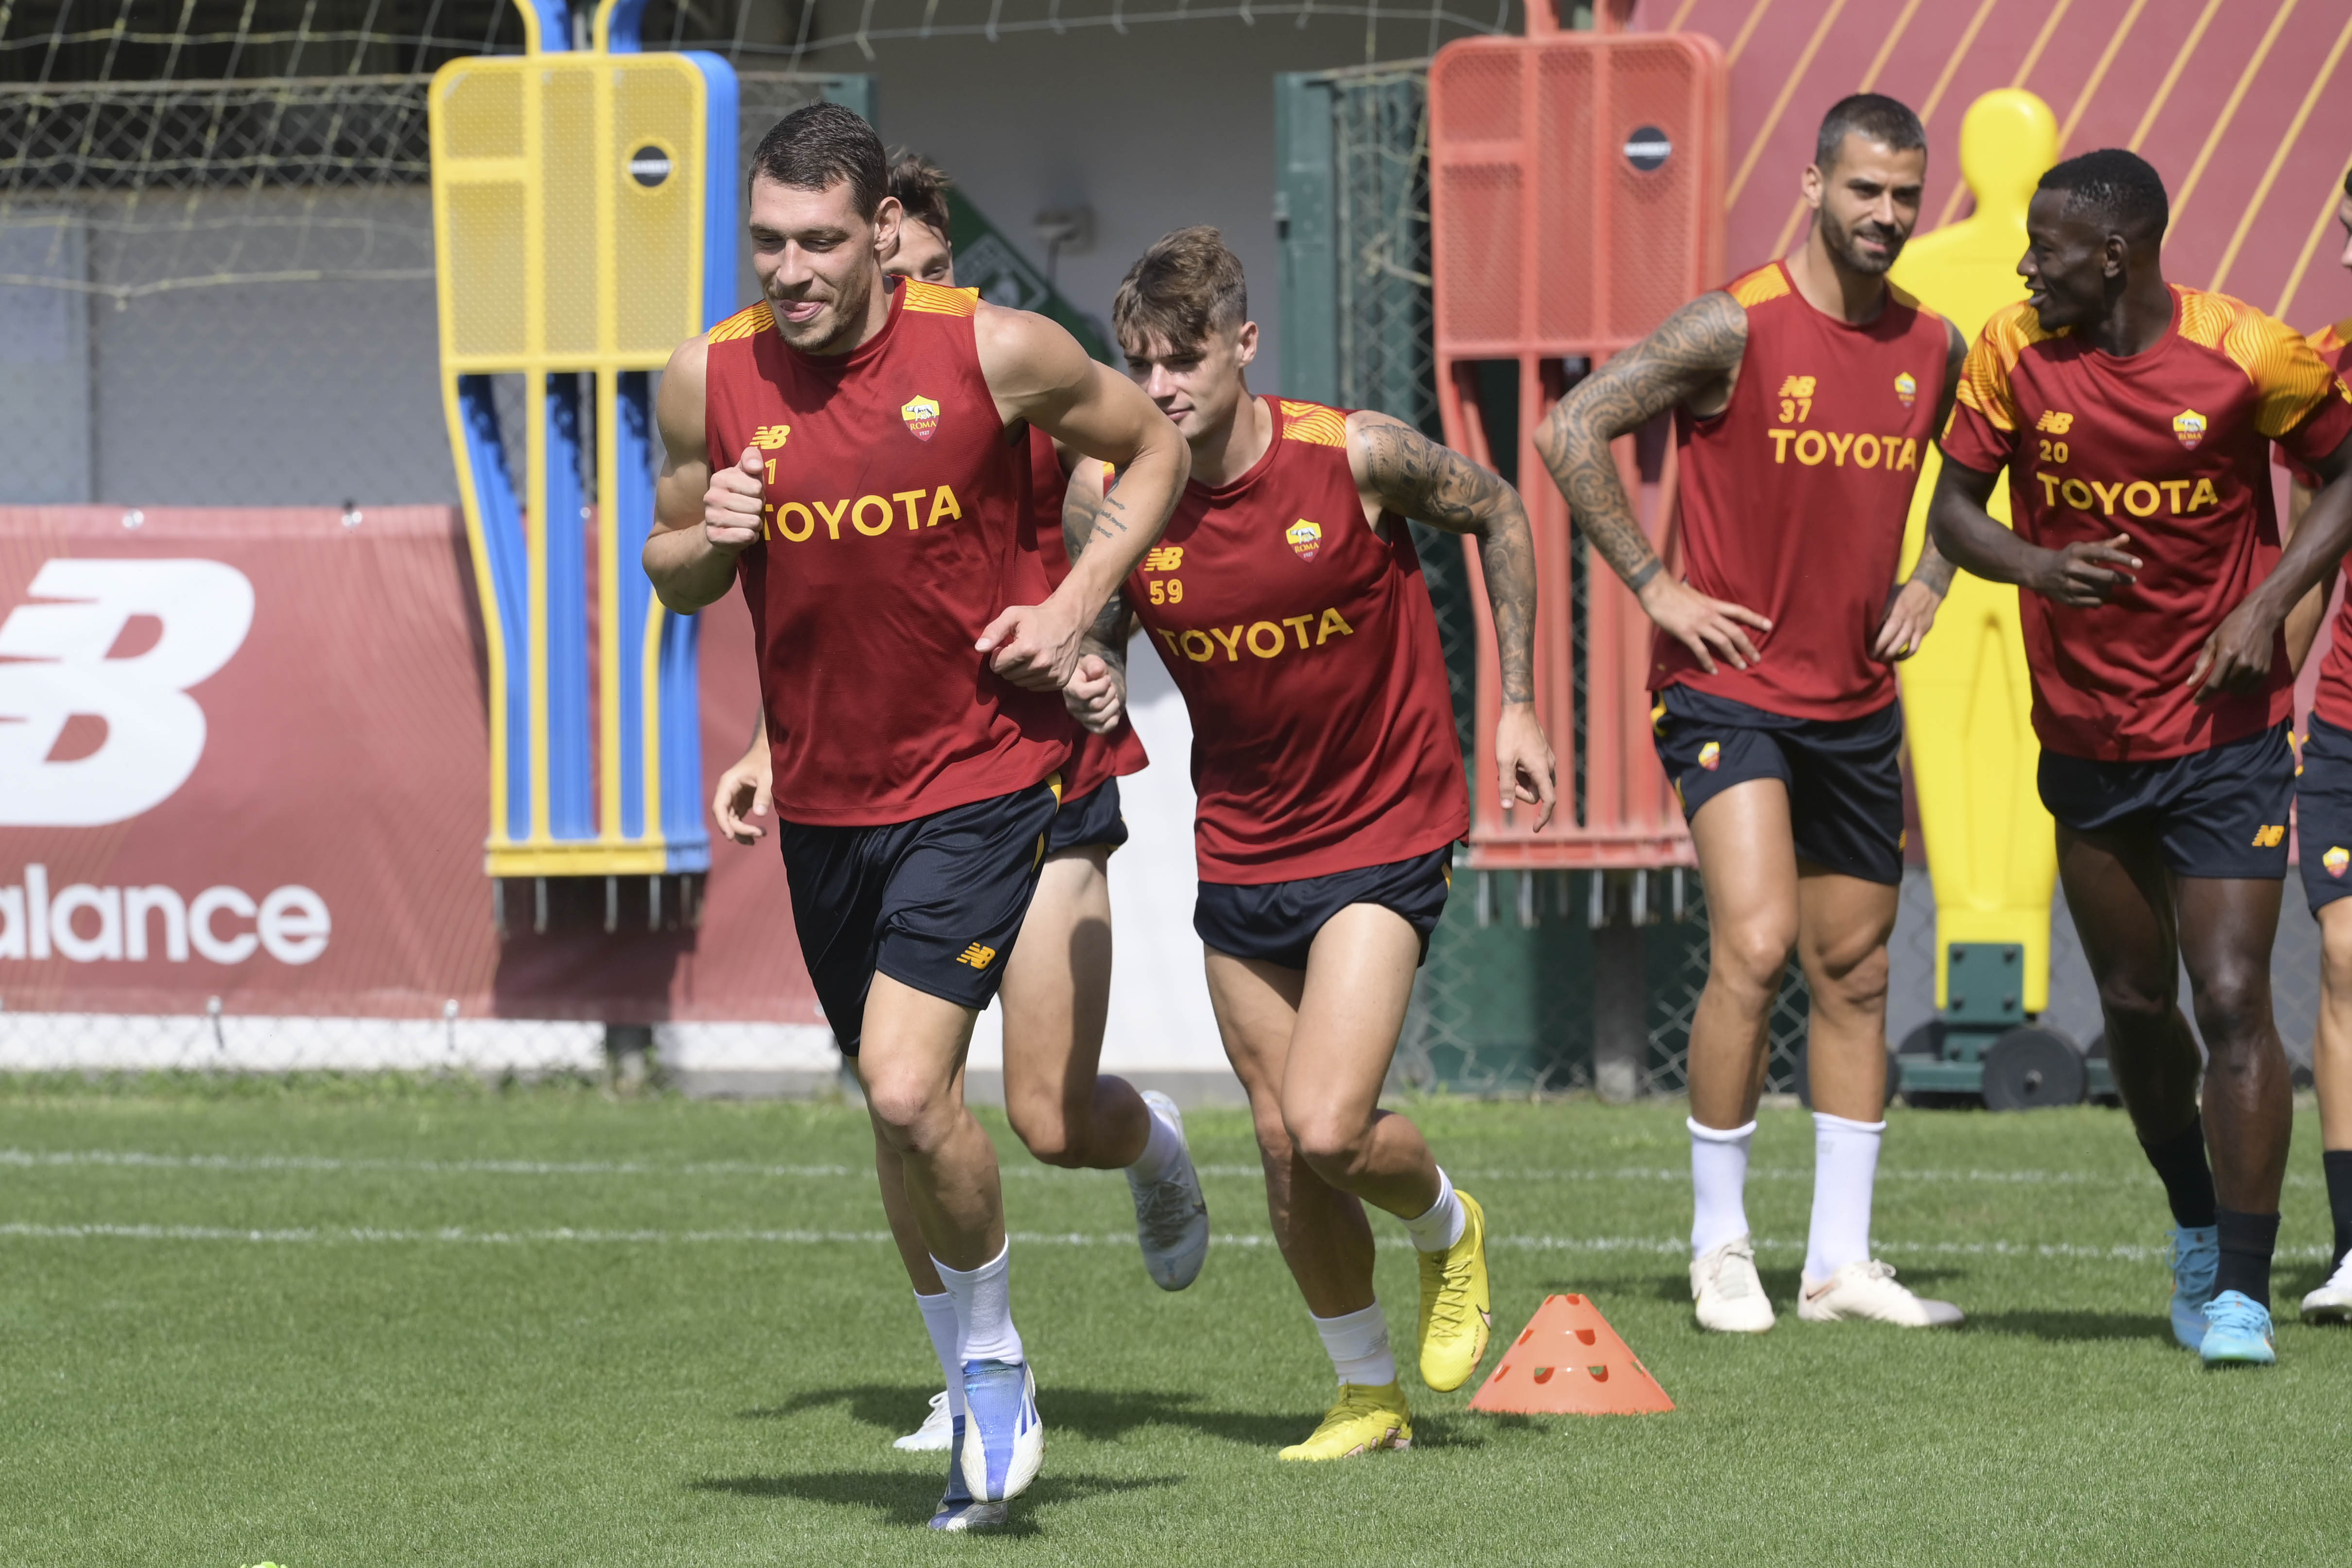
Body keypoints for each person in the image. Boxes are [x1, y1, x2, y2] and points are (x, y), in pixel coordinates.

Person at [643, 104, 1190, 1519]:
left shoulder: (993, 350)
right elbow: (671, 558)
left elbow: (1153, 453)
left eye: (820, 241)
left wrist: (1072, 607)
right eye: (766, 240)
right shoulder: (702, 378)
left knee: (905, 1081)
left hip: (987, 774)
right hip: (830, 801)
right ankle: (964, 1396)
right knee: (906, 1117)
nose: (791, 268)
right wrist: (712, 540)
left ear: (880, 232)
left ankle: (997, 1363)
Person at [1062, 227, 1557, 1459]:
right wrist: (1088, 673)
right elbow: (1100, 628)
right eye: (1139, 366)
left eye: (1184, 360)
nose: (1162, 387)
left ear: (1242, 345)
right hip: (1238, 845)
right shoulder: (1113, 494)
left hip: (1383, 830)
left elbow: (1497, 512)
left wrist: (1516, 705)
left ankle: (1447, 1227)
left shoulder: (1357, 457)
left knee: (1332, 1126)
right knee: (1283, 1144)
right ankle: (1366, 1397)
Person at [1535, 94, 1966, 1334]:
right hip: (1728, 693)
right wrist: (1656, 586)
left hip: (1854, 697)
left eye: (1902, 193)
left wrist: (1931, 580)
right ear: (1813, 186)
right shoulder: (1730, 323)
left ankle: (1836, 1265)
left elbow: (1975, 471)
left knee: (1856, 970)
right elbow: (1574, 426)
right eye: (1863, 190)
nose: (1883, 214)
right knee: (1761, 943)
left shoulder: (1930, 346)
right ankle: (1718, 1248)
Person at [1928, 148, 2352, 1366]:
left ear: (2113, 254)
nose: (2025, 265)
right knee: (2130, 998)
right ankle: (2186, 1216)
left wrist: (2267, 600)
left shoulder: (2246, 353)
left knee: (2230, 995)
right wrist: (2037, 566)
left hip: (2224, 732)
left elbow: (2341, 472)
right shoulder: (2011, 350)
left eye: (2045, 247)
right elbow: (1952, 511)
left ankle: (2239, 1292)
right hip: (2084, 731)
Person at [2280, 164, 2352, 1326]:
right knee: (2345, 968)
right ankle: (2351, 1250)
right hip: (2342, 721)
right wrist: (2252, 708)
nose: (2345, 255)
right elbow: (2307, 559)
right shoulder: (2325, 370)